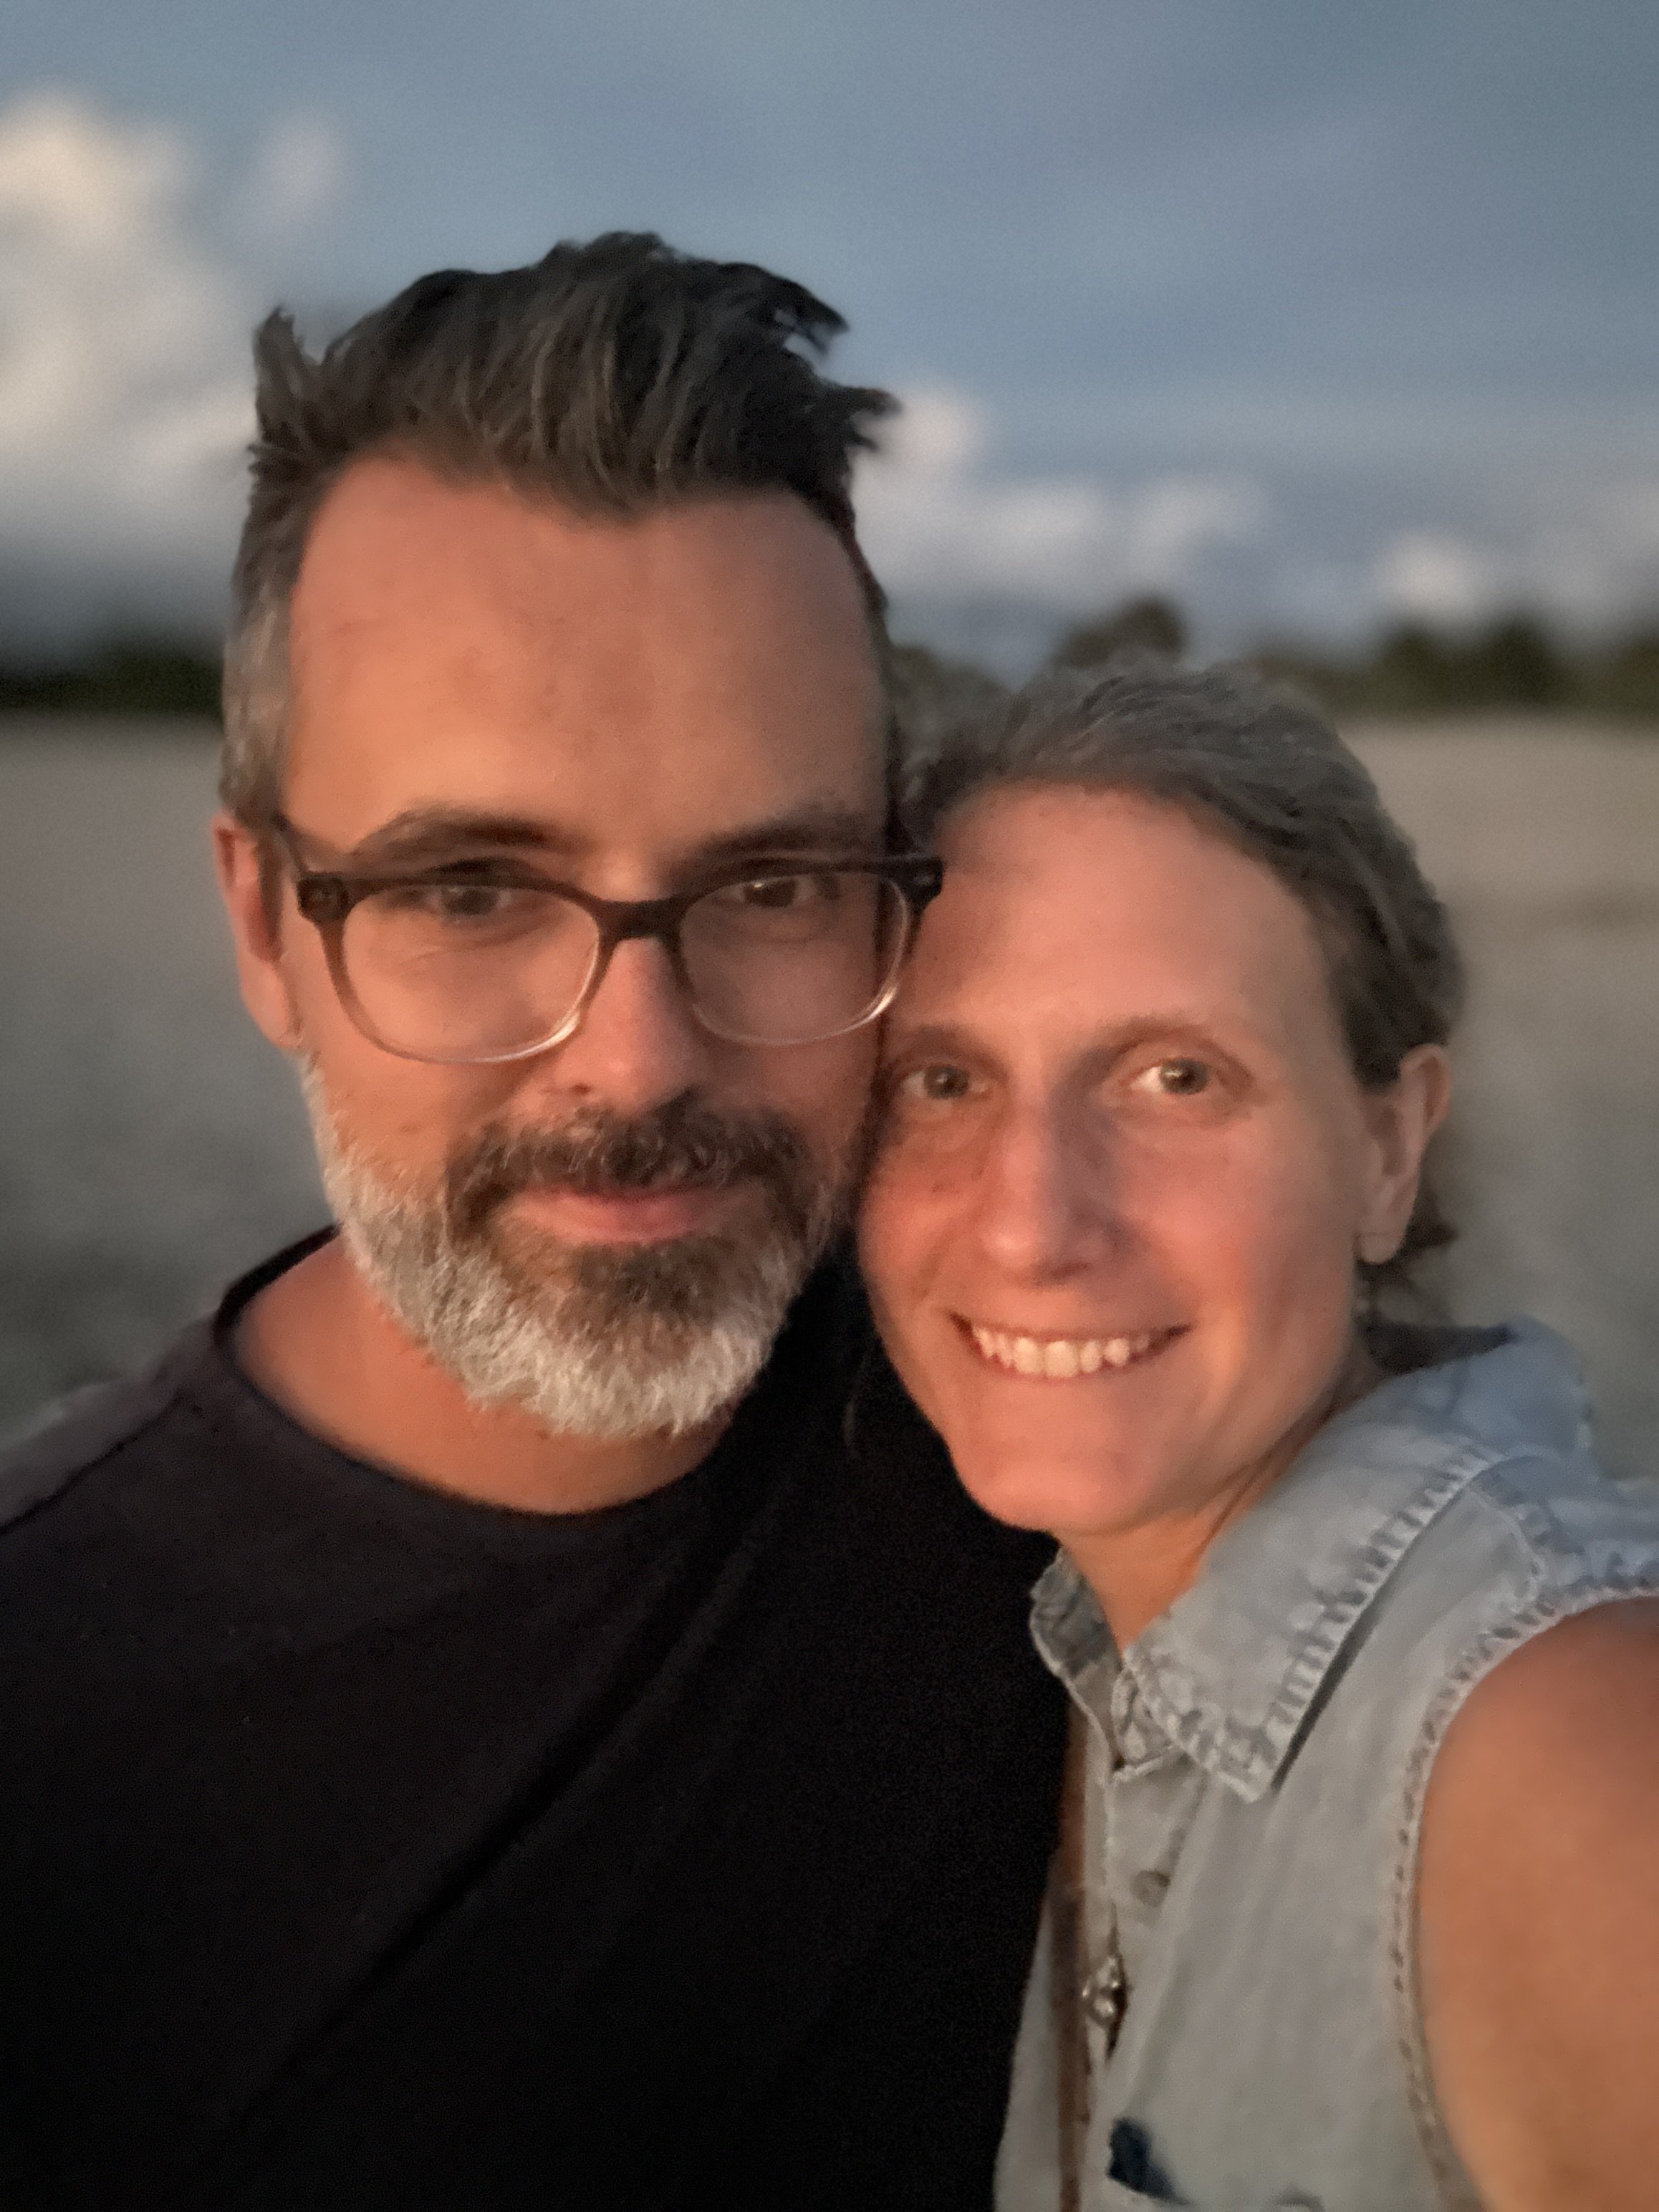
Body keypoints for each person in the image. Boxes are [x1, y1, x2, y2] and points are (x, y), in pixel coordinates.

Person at [0, 234, 1065, 2211]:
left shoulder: (1053, 1408)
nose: (637, 1064)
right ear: (263, 924)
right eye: (474, 890)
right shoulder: (47, 1729)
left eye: (771, 885)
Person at [860, 662, 1659, 2211]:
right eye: (942, 1079)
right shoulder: (1045, 1654)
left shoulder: (1563, 1763)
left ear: (1386, 1145)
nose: (1032, 1222)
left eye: (1176, 1076)